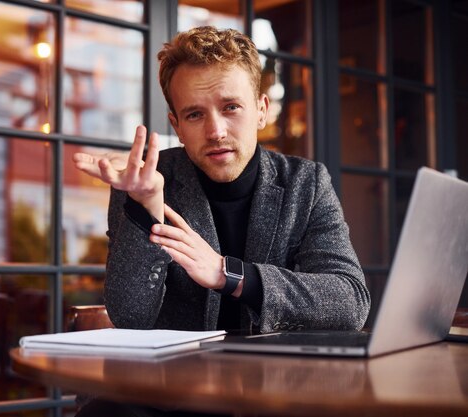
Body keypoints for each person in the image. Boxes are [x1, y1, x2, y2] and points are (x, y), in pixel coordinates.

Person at [72, 26, 370, 416]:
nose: (215, 132)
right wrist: (144, 204)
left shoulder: (306, 183)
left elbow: (349, 301)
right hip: (168, 394)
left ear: (262, 109)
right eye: (195, 114)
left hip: (277, 391)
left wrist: (228, 274)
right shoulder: (145, 181)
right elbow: (130, 316)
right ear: (176, 125)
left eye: (231, 107)